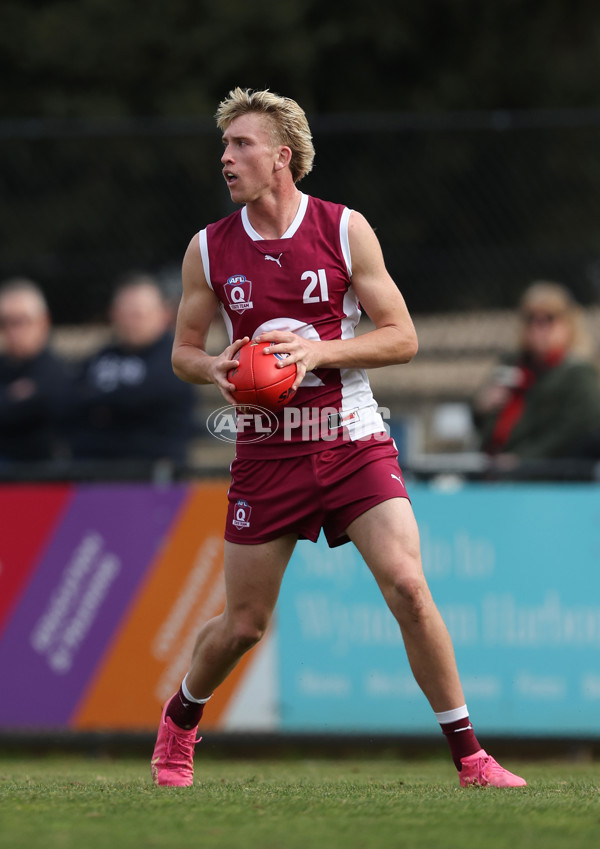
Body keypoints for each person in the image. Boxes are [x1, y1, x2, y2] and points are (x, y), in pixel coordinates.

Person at [150, 87, 526, 789]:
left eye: (242, 146)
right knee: (244, 624)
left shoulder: (344, 228)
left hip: (352, 436)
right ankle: (180, 720)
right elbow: (182, 352)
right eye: (225, 147)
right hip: (266, 449)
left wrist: (319, 354)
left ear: (281, 158)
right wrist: (217, 368)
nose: (227, 159)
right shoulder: (208, 247)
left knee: (410, 587)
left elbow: (404, 338)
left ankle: (471, 757)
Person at [68, 273, 196, 466]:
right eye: (124, 314)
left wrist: (100, 404)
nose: (131, 322)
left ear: (164, 314)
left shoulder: (177, 358)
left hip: (154, 476)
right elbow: (68, 398)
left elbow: (150, 397)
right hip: (94, 471)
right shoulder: (102, 356)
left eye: (139, 314)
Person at [472, 281, 600, 463]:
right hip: (491, 464)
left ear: (568, 324)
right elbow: (479, 418)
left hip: (542, 474)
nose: (538, 327)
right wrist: (480, 405)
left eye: (549, 319)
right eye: (531, 318)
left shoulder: (577, 371)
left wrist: (523, 459)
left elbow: (574, 430)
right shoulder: (510, 364)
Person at [0, 278, 72, 464]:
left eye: (20, 321)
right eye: (4, 322)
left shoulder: (55, 371)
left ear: (43, 321)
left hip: (37, 476)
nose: (12, 331)